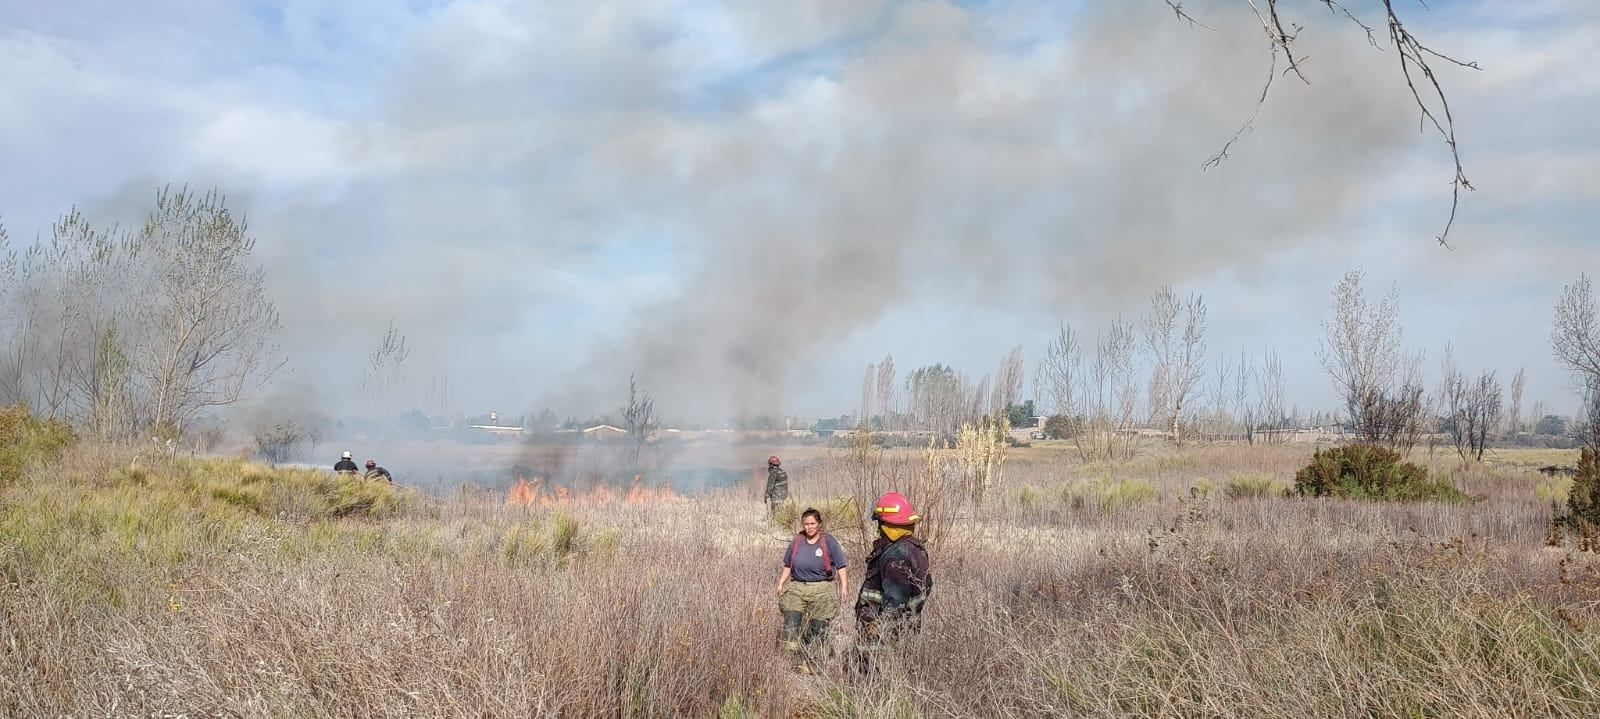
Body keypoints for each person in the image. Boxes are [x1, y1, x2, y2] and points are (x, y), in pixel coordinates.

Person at [850, 491, 932, 677]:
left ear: (885, 524)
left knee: (873, 678)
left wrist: (883, 632)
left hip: (881, 634)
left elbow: (894, 602)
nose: (878, 529)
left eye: (879, 523)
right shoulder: (914, 549)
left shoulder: (896, 555)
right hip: (906, 629)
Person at [776, 508, 848, 669]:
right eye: (806, 524)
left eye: (812, 523)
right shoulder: (797, 541)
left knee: (818, 626)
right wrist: (781, 582)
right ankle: (793, 660)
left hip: (822, 587)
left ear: (819, 524)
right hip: (797, 585)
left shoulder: (828, 541)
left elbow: (842, 565)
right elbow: (788, 565)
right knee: (791, 620)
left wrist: (844, 587)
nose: (809, 527)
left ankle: (815, 662)